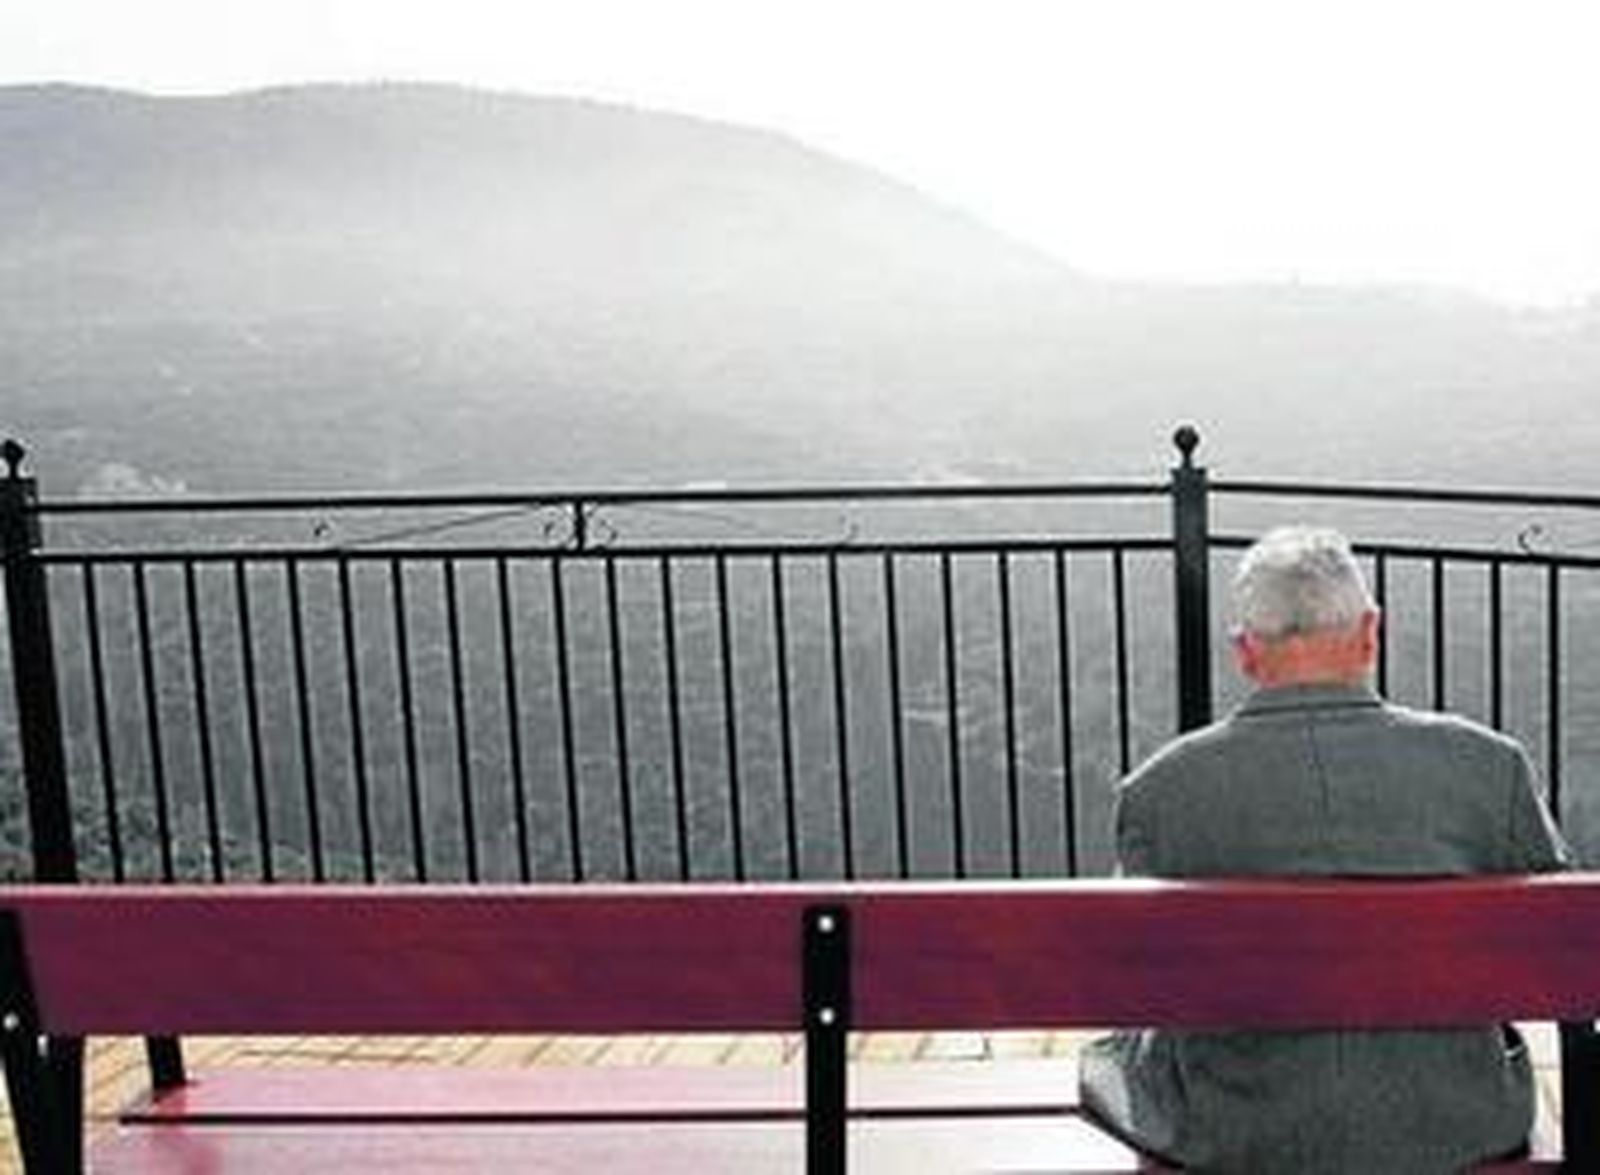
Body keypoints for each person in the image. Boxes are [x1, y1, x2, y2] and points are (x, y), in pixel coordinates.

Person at [1080, 525, 1571, 1173]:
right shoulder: (1490, 767)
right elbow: (1563, 950)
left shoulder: (1159, 791)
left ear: (1245, 652)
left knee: (1111, 1058)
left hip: (1235, 1132)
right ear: (1371, 633)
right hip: (1453, 1123)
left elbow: (1139, 978)